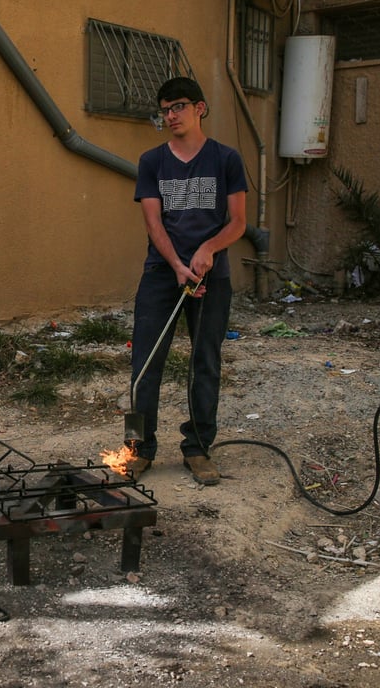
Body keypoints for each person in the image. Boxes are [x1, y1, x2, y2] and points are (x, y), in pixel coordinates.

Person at [127, 76, 248, 485]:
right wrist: (177, 264)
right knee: (145, 361)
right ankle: (138, 449)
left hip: (212, 274)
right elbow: (152, 221)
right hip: (163, 273)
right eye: (164, 110)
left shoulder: (226, 159)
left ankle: (197, 448)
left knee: (205, 362)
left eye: (178, 106)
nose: (170, 116)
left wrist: (209, 248)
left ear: (200, 108)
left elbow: (239, 223)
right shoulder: (152, 162)